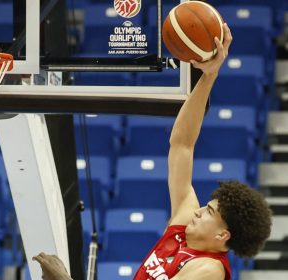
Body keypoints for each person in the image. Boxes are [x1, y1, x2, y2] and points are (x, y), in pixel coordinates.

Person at [33, 23, 272, 280]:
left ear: (222, 236)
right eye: (206, 206)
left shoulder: (209, 269)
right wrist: (209, 75)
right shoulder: (182, 225)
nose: (198, 210)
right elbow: (182, 145)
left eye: (209, 212)